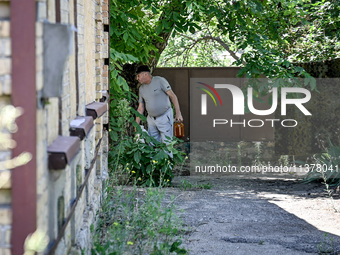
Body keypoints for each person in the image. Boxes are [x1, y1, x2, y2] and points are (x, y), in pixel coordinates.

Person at [135, 65, 183, 144]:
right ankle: (155, 156)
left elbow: (173, 96)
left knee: (167, 143)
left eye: (138, 76)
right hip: (151, 119)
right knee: (152, 143)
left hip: (165, 116)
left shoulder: (160, 81)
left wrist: (178, 114)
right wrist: (136, 125)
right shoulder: (141, 89)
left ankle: (167, 157)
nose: (137, 78)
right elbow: (140, 108)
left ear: (145, 74)